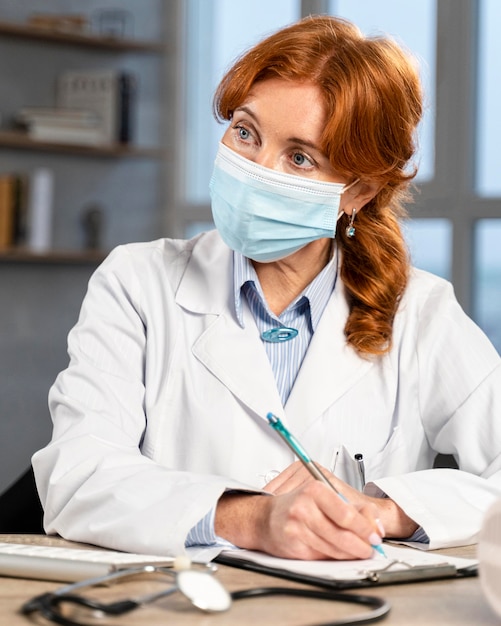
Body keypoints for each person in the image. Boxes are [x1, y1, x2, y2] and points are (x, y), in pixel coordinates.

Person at [33, 15, 501, 561]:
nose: (254, 169)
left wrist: (382, 508)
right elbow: (75, 475)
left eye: (299, 157)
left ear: (359, 191)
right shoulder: (137, 284)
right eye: (245, 132)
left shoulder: (420, 313)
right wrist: (253, 518)